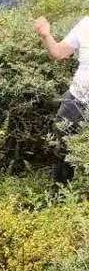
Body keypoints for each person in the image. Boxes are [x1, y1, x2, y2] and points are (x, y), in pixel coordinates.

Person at [33, 12, 89, 182]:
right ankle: (62, 194)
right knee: (63, 144)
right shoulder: (85, 23)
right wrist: (46, 35)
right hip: (78, 97)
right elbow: (59, 53)